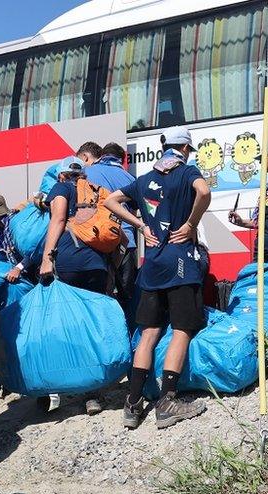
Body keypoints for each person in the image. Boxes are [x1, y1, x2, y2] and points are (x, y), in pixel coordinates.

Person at [105, 126, 212, 430]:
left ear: (163, 145)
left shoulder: (144, 179)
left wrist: (140, 225)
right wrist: (191, 223)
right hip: (180, 263)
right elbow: (204, 192)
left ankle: (133, 402)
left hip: (151, 265)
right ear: (186, 149)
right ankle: (167, 402)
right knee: (182, 330)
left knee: (149, 331)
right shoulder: (187, 172)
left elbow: (110, 202)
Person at [40, 156, 112, 415]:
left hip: (71, 260)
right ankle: (94, 393)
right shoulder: (93, 192)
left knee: (70, 324)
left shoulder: (61, 188)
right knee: (93, 323)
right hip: (97, 264)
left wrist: (47, 257)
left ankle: (65, 382)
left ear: (61, 176)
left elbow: (58, 219)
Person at [85, 142, 138, 323]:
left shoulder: (88, 172)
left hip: (95, 242)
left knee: (99, 295)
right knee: (127, 296)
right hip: (126, 243)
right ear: (122, 160)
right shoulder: (129, 178)